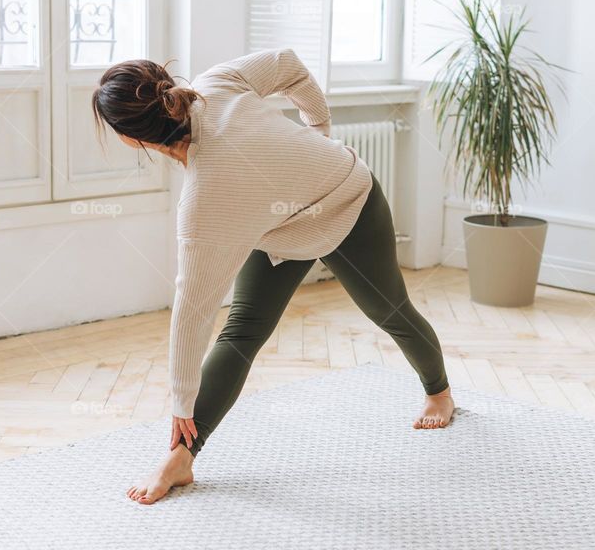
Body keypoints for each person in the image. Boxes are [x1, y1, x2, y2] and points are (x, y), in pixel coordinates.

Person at [91, 48, 454, 505]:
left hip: (347, 202)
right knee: (242, 331)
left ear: (131, 137)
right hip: (281, 229)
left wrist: (318, 134)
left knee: (390, 310)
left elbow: (191, 312)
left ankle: (439, 392)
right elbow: (288, 63)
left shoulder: (214, 115)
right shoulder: (211, 144)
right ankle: (181, 459)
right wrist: (184, 401)